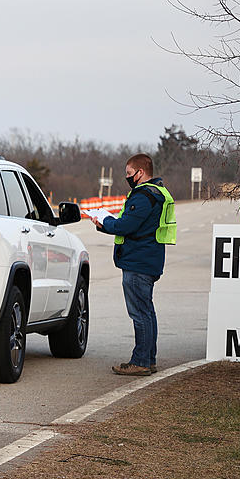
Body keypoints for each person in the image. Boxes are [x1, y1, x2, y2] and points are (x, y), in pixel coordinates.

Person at [94, 153, 176, 376]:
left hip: (138, 262)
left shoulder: (143, 196)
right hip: (149, 258)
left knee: (140, 314)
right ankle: (148, 359)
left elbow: (126, 226)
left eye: (129, 174)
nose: (127, 178)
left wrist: (104, 221)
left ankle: (140, 361)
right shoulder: (158, 192)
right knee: (147, 312)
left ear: (140, 173)